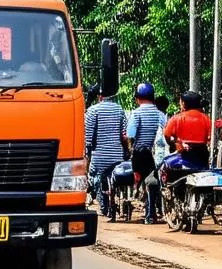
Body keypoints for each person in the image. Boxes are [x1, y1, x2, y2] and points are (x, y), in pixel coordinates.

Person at [127, 82, 167, 224]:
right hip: (158, 154)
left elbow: (131, 134)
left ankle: (145, 208)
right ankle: (154, 211)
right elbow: (166, 134)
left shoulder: (136, 113)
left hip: (140, 153)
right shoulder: (161, 115)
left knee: (141, 180)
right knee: (154, 183)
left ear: (138, 98)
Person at [84, 86, 128, 217]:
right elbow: (124, 134)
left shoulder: (93, 110)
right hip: (117, 155)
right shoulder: (119, 109)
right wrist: (126, 150)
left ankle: (104, 207)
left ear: (99, 96)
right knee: (116, 177)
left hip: (99, 156)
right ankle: (119, 201)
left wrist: (87, 154)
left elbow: (88, 137)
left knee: (94, 176)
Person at [161, 91, 212, 184]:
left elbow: (167, 135)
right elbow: (210, 138)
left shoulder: (176, 118)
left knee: (164, 165)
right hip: (202, 159)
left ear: (183, 103)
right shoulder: (206, 119)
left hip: (183, 158)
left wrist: (173, 145)